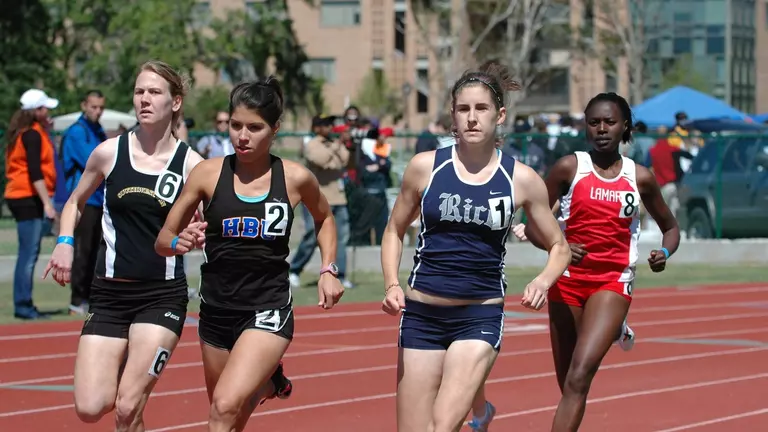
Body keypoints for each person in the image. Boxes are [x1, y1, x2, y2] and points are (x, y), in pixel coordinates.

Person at [379, 61, 572, 432]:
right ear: (452, 114)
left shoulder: (521, 179)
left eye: (481, 109)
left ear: (499, 115)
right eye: (463, 109)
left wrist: (543, 281)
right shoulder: (424, 168)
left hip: (478, 317)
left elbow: (559, 247)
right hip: (421, 316)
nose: (471, 118)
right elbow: (393, 230)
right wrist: (391, 283)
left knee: (443, 424)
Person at [154, 77, 344, 432]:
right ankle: (271, 383)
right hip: (216, 311)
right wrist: (177, 241)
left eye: (254, 128)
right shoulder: (207, 174)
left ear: (275, 129)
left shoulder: (295, 177)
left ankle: (267, 378)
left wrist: (328, 269)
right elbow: (163, 239)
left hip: (268, 309)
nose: (242, 136)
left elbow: (325, 218)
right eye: (235, 125)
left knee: (224, 408)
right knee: (228, 416)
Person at [43, 60, 204, 431]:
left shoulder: (193, 165)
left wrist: (197, 236)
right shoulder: (108, 152)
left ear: (175, 102)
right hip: (109, 297)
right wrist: (65, 242)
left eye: (154, 92)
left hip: (161, 297)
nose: (144, 99)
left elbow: (208, 226)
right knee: (90, 406)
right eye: (139, 91)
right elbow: (74, 202)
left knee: (127, 406)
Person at [515, 92, 680, 431]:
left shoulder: (641, 177)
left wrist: (664, 252)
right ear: (585, 127)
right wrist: (556, 245)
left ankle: (613, 321)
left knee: (578, 376)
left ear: (625, 127)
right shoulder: (568, 168)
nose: (602, 129)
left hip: (613, 281)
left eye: (610, 122)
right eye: (594, 122)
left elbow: (671, 228)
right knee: (569, 385)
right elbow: (532, 222)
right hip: (566, 280)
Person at [4, 88, 59, 320]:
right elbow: (35, 172)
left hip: (21, 196)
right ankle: (23, 305)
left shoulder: (29, 132)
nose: (48, 112)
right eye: (44, 108)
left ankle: (24, 303)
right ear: (36, 110)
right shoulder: (32, 135)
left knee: (29, 253)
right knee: (28, 254)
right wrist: (47, 203)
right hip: (28, 197)